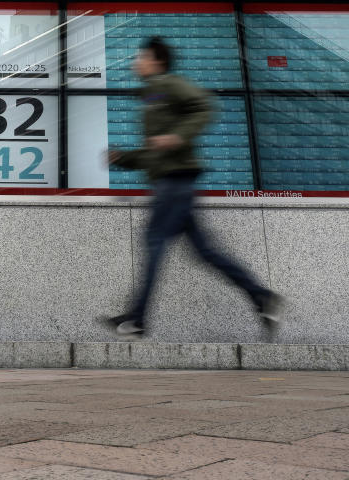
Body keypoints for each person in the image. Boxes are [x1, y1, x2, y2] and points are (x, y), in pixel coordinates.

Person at [101, 36, 284, 340]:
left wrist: (177, 136)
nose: (136, 62)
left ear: (156, 61)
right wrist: (124, 158)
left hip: (175, 182)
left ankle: (137, 319)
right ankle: (261, 296)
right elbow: (154, 151)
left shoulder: (168, 84)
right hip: (173, 181)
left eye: (141, 57)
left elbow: (204, 105)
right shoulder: (150, 95)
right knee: (206, 251)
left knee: (155, 241)